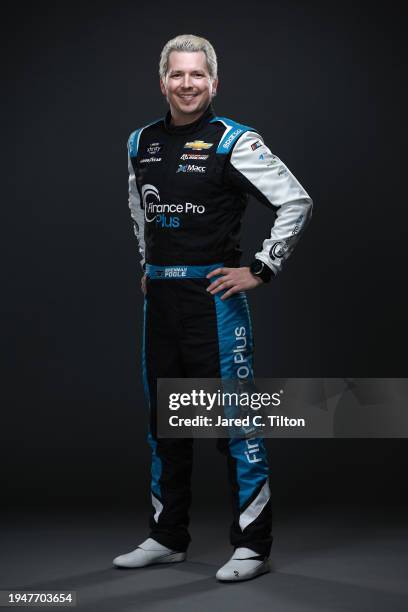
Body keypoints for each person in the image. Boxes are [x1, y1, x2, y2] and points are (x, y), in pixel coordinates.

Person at [113, 34, 312, 582]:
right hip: (162, 304)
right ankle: (167, 536)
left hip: (214, 304)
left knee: (237, 425)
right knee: (166, 424)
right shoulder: (140, 142)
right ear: (162, 82)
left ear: (213, 82)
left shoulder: (235, 142)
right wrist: (146, 266)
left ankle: (252, 545)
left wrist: (262, 268)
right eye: (176, 75)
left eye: (197, 75)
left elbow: (296, 200)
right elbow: (140, 210)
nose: (186, 83)